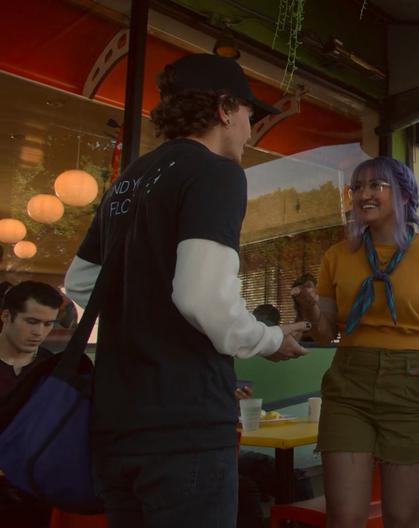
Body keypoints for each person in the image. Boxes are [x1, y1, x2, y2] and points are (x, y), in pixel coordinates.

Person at [63, 54, 308, 527]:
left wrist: (146, 299)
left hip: (117, 426)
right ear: (224, 109)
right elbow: (203, 298)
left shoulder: (128, 180)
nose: (250, 131)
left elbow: (80, 282)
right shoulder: (215, 172)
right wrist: (271, 340)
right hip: (184, 426)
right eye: (248, 116)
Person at [292, 156, 419, 527]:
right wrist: (308, 305)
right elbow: (325, 333)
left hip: (410, 383)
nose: (363, 195)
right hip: (349, 383)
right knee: (345, 518)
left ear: (404, 195)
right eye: (356, 188)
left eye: (375, 186)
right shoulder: (337, 256)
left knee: (401, 518)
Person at [0, 280, 64, 527]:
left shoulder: (53, 371)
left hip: (34, 492)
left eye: (48, 324)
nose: (39, 332)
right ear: (6, 316)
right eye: (31, 321)